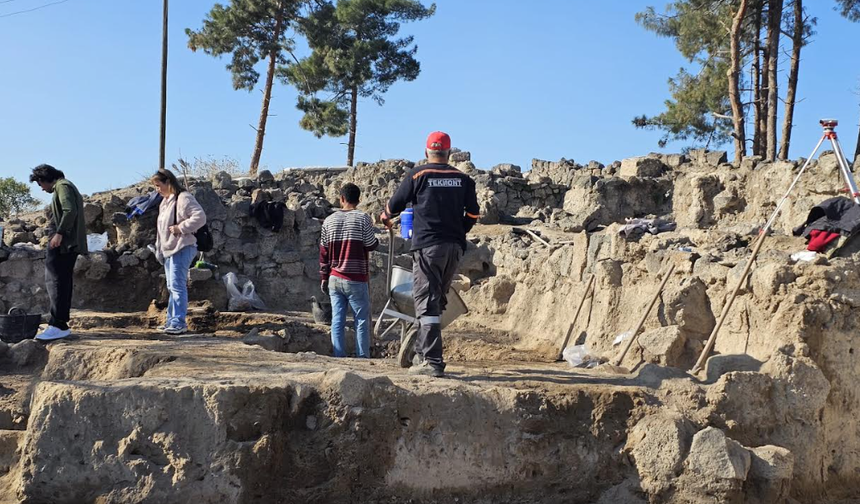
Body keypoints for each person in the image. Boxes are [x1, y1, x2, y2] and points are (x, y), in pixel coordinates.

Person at [381, 132, 480, 377]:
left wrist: (385, 218)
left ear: (426, 152)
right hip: (454, 248)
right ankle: (421, 352)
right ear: (449, 153)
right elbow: (474, 215)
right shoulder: (463, 179)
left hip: (428, 247)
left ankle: (433, 363)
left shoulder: (417, 175)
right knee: (437, 298)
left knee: (425, 301)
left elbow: (393, 207)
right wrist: (460, 231)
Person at [319, 183, 379, 358]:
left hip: (334, 278)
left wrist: (324, 276)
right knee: (361, 320)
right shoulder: (363, 219)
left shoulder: (328, 221)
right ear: (358, 200)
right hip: (356, 279)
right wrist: (376, 242)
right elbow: (370, 244)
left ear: (342, 199)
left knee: (337, 319)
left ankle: (339, 355)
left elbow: (323, 252)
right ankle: (362, 357)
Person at [29, 164, 88, 341]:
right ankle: (58, 323)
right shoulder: (64, 187)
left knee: (56, 282)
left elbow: (70, 210)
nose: (41, 188)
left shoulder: (62, 186)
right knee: (59, 282)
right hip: (66, 244)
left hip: (64, 244)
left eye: (40, 184)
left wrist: (59, 234)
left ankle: (58, 325)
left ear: (44, 179)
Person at [152, 169, 206, 335]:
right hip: (169, 250)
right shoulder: (165, 202)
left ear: (168, 182)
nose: (157, 189)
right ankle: (171, 320)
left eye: (158, 185)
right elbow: (161, 229)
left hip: (182, 247)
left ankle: (178, 322)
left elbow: (200, 217)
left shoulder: (183, 198)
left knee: (177, 286)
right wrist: (159, 249)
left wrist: (180, 228)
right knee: (171, 286)